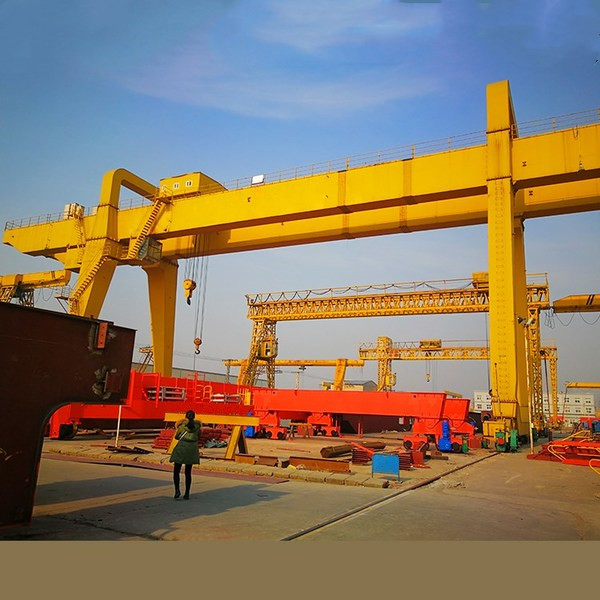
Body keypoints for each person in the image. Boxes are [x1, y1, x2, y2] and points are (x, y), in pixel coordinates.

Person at [169, 409, 201, 499]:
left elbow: (176, 437)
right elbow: (199, 437)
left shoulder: (181, 426)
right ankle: (187, 493)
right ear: (194, 417)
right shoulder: (198, 427)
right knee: (188, 473)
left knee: (176, 471)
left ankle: (177, 491)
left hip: (181, 448)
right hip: (192, 450)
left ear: (185, 416)